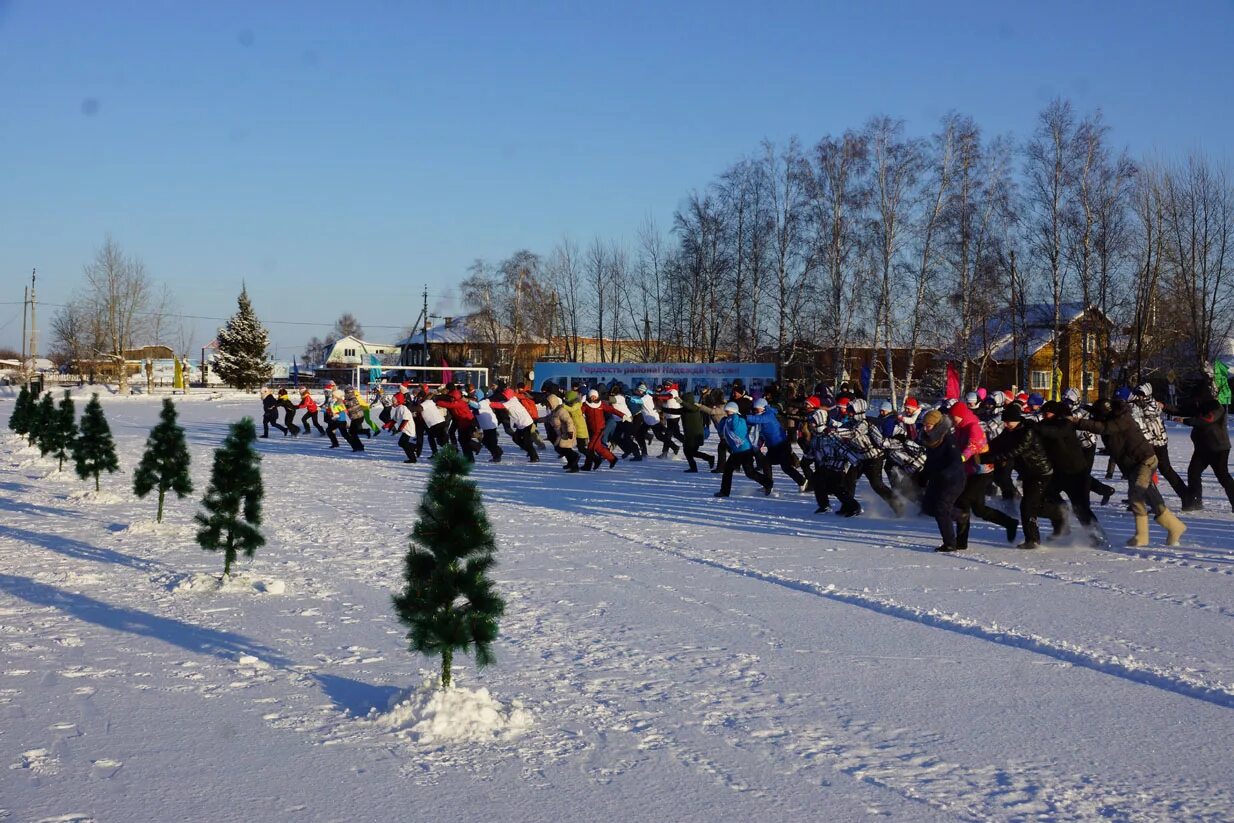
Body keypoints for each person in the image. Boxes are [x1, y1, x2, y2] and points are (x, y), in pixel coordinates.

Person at [1075, 397, 1186, 547]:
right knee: (1153, 498)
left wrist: (1078, 422)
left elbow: (1104, 428)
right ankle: (1175, 527)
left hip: (1144, 461)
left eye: (1098, 416)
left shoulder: (1122, 419)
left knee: (1136, 494)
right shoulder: (1111, 418)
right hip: (1133, 465)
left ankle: (1142, 536)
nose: (1096, 418)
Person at [982, 404, 1066, 549]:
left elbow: (1014, 451)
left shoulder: (1027, 432)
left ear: (1016, 420)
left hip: (1040, 472)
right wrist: (983, 450)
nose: (1006, 424)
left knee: (1027, 506)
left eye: (1008, 421)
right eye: (1005, 421)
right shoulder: (1010, 431)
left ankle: (1033, 539)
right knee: (1032, 505)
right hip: (1028, 473)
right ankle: (1058, 513)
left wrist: (986, 459)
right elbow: (998, 443)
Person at [1037, 401, 1105, 545]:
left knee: (1080, 507)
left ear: (1055, 413)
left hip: (1076, 474)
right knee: (1048, 496)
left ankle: (1096, 535)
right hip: (1058, 473)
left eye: (1047, 413)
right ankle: (1061, 526)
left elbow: (1055, 433)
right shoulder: (1045, 425)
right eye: (1043, 413)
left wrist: (1036, 427)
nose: (1044, 415)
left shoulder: (1065, 424)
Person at [950, 402, 1019, 544]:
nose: (952, 420)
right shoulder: (959, 428)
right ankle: (1009, 523)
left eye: (954, 417)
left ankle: (960, 542)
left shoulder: (973, 426)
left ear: (961, 415)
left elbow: (973, 444)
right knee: (979, 510)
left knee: (962, 501)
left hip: (982, 471)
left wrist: (963, 456)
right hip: (970, 471)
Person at [1172, 393, 1234, 512]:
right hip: (1202, 449)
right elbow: (1180, 409)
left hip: (1218, 448)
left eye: (1197, 400)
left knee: (1223, 476)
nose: (1196, 403)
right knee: (1193, 473)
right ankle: (1195, 501)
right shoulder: (1199, 406)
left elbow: (1206, 420)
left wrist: (1186, 421)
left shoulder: (1217, 408)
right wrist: (1163, 406)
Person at [920, 409, 970, 552]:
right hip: (937, 478)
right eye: (924, 425)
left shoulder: (948, 439)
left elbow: (956, 463)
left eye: (928, 426)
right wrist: (923, 476)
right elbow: (930, 461)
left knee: (941, 509)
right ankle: (961, 516)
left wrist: (946, 474)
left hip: (953, 480)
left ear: (936, 425)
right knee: (927, 507)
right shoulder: (930, 439)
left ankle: (949, 543)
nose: (925, 428)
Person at [807, 406, 860, 516]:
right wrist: (806, 458)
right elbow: (813, 450)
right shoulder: (816, 435)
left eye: (812, 422)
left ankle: (854, 506)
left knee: (835, 487)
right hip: (827, 465)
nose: (810, 424)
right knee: (821, 481)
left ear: (818, 422)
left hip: (837, 465)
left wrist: (854, 461)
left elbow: (843, 449)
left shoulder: (830, 435)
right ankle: (825, 505)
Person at [746, 397, 806, 489]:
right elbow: (761, 433)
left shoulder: (768, 415)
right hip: (772, 447)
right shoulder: (761, 417)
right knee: (766, 463)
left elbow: (758, 419)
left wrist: (744, 417)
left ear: (763, 408)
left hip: (782, 445)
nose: (755, 411)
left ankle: (802, 482)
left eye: (756, 409)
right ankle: (768, 484)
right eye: (754, 409)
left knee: (786, 467)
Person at [714, 402, 772, 498]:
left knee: (749, 473)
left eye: (728, 411)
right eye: (726, 411)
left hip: (745, 451)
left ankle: (768, 483)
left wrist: (734, 416)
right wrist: (723, 421)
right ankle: (724, 492)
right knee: (733, 470)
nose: (727, 413)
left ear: (734, 411)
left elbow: (735, 428)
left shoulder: (739, 420)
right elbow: (720, 430)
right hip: (737, 452)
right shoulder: (727, 420)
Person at [579, 389, 619, 470]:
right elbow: (579, 413)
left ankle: (589, 465)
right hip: (590, 429)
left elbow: (612, 410)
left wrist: (623, 415)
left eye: (594, 397)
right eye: (591, 397)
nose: (593, 398)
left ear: (597, 397)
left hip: (599, 429)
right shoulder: (586, 405)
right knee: (598, 447)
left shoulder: (601, 405)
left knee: (590, 447)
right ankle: (612, 459)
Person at [546, 393, 580, 472]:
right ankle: (572, 462)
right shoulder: (554, 411)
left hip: (567, 432)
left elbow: (569, 421)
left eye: (548, 403)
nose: (547, 405)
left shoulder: (561, 411)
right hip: (561, 433)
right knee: (560, 448)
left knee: (564, 448)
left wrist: (570, 432)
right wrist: (538, 420)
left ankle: (575, 461)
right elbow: (548, 418)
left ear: (553, 402)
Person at [389, 394, 417, 463]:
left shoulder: (403, 408)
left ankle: (416, 447)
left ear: (398, 401)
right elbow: (394, 419)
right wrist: (387, 426)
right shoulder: (398, 408)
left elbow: (406, 419)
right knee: (404, 444)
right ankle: (412, 458)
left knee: (402, 443)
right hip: (405, 429)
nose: (393, 403)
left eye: (394, 401)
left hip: (408, 428)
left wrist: (400, 429)